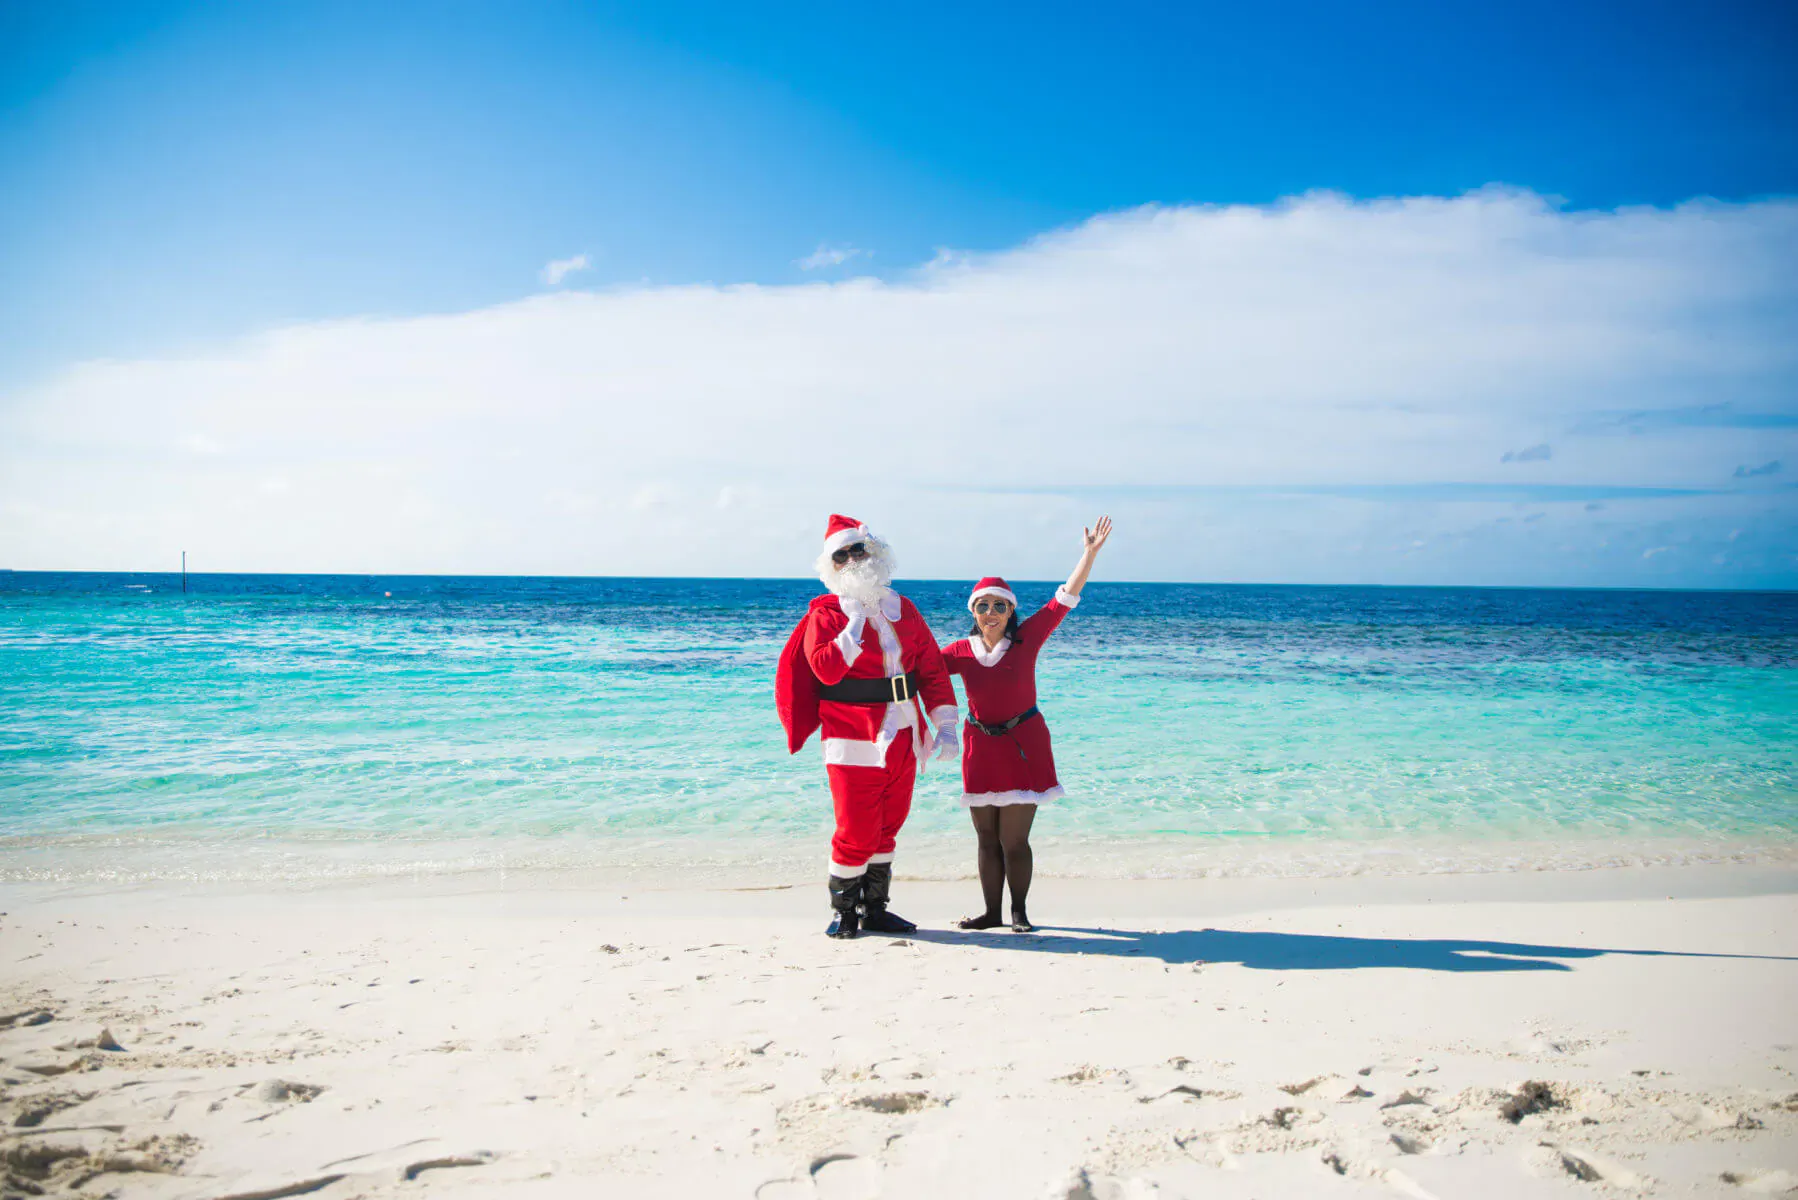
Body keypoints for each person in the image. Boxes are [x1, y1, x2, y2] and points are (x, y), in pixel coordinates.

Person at [775, 514, 961, 938]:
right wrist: (855, 622)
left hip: (904, 731)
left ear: (874, 552)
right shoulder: (826, 615)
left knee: (888, 825)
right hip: (851, 734)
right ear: (832, 567)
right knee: (856, 829)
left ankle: (875, 909)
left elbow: (931, 667)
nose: (853, 560)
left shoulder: (904, 608)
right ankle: (844, 912)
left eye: (858, 550)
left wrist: (945, 722)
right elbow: (824, 669)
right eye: (842, 555)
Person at [941, 516, 1112, 932]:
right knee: (985, 839)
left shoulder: (1027, 638)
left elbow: (1064, 599)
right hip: (979, 746)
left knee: (1013, 840)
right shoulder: (961, 651)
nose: (992, 612)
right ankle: (990, 914)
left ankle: (1018, 913)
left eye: (1000, 605)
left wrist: (1088, 554)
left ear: (1011, 611)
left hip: (1022, 743)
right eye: (983, 606)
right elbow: (921, 672)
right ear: (974, 613)